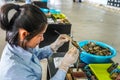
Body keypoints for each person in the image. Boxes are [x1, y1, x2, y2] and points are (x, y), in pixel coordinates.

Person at [0, 3, 79, 80]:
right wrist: (64, 66)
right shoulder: (15, 72)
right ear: (24, 34)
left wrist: (53, 46)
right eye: (40, 35)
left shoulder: (19, 44)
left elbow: (34, 55)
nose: (42, 39)